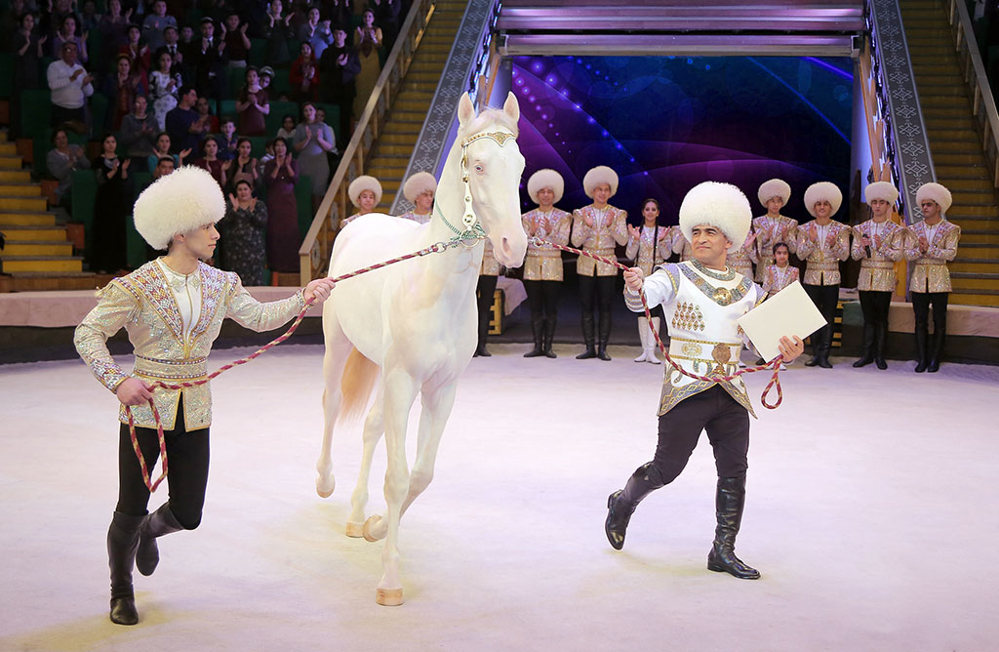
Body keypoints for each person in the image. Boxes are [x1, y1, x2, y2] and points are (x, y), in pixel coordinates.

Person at [73, 166, 336, 626]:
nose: (217, 233)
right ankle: (121, 590)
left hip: (195, 407)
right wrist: (117, 380)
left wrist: (304, 297)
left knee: (189, 513)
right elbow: (87, 333)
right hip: (145, 408)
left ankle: (151, 532)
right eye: (207, 226)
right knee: (128, 506)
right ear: (178, 232)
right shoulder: (136, 286)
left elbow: (258, 317)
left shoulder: (222, 283)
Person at [604, 181, 804, 580]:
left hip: (730, 390)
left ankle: (723, 550)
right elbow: (644, 296)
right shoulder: (674, 275)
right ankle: (623, 502)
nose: (700, 238)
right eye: (695, 231)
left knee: (735, 470)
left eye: (710, 231)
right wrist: (635, 286)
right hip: (685, 389)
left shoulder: (751, 291)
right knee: (666, 470)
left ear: (729, 239)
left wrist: (789, 349)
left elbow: (766, 345)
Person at [571, 165, 628, 360]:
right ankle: (589, 347)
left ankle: (603, 348)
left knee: (606, 306)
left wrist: (612, 225)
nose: (602, 193)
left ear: (610, 192)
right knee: (586, 306)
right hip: (586, 262)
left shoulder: (619, 213)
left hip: (607, 262)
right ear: (592, 191)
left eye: (606, 190)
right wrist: (587, 226)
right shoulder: (581, 213)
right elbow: (576, 241)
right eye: (599, 189)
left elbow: (622, 240)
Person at [905, 182, 961, 373]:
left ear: (939, 206)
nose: (925, 208)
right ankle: (922, 359)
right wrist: (919, 250)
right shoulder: (913, 229)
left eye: (929, 204)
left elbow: (951, 254)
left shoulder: (951, 229)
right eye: (923, 204)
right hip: (919, 278)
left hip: (939, 278)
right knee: (920, 320)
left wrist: (930, 249)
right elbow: (908, 255)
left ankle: (935, 359)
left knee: (939, 320)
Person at [851, 181, 907, 370]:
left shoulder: (897, 230)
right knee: (868, 317)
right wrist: (863, 247)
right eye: (874, 202)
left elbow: (898, 255)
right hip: (866, 276)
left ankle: (880, 355)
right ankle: (866, 354)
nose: (877, 206)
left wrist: (880, 245)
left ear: (888, 205)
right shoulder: (861, 228)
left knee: (881, 317)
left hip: (884, 277)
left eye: (882, 202)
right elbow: (854, 254)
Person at [796, 181, 850, 368]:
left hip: (831, 277)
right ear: (813, 207)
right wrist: (810, 241)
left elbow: (845, 256)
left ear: (831, 207)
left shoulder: (841, 229)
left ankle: (824, 355)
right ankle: (814, 354)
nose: (821, 207)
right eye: (818, 204)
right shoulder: (804, 228)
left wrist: (835, 244)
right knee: (812, 316)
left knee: (828, 315)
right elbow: (800, 254)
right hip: (811, 276)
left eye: (825, 204)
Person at [520, 169, 571, 358]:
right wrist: (531, 233)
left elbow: (565, 243)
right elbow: (522, 243)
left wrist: (551, 232)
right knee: (535, 308)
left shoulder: (564, 217)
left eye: (549, 192)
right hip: (532, 267)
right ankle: (536, 346)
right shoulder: (527, 217)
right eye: (542, 192)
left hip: (553, 268)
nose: (546, 195)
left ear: (555, 194)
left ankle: (548, 346)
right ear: (536, 194)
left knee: (551, 308)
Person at [625, 198, 670, 364]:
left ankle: (652, 351)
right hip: (640, 275)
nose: (650, 212)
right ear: (643, 212)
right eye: (647, 209)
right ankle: (644, 350)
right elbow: (630, 255)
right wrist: (635, 239)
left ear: (658, 213)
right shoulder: (637, 230)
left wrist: (661, 241)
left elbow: (666, 255)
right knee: (641, 311)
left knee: (655, 311)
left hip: (656, 275)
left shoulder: (664, 231)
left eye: (653, 209)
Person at [90, 133, 131, 274]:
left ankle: (116, 265)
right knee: (104, 231)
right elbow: (101, 180)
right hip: (104, 200)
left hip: (118, 200)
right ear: (103, 144)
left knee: (117, 231)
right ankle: (101, 265)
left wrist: (123, 170)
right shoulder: (98, 161)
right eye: (107, 141)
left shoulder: (121, 159)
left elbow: (124, 180)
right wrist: (114, 170)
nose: (111, 144)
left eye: (113, 141)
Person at [218, 179, 268, 286]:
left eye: (245, 189)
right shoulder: (230, 205)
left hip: (254, 251)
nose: (243, 192)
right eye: (240, 189)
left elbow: (262, 222)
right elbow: (223, 223)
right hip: (234, 252)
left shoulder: (258, 205)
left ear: (251, 190)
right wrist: (234, 210)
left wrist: (251, 212)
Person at [318, 27, 359, 150]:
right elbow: (322, 68)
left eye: (341, 33)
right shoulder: (327, 51)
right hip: (331, 90)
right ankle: (329, 144)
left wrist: (345, 64)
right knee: (330, 118)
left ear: (345, 35)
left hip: (346, 91)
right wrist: (335, 64)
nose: (338, 36)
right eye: (336, 33)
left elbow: (357, 69)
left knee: (345, 118)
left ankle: (345, 146)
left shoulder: (351, 52)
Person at [263, 137, 300, 273]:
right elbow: (268, 181)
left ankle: (292, 266)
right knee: (275, 232)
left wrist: (287, 165)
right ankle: (275, 266)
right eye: (277, 146)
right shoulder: (269, 164)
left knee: (290, 231)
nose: (280, 148)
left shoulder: (293, 162)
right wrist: (277, 166)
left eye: (282, 146)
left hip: (288, 202)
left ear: (286, 148)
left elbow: (295, 179)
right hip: (274, 202)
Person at [752, 178, 798, 283]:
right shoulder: (757, 222)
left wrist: (786, 237)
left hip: (782, 266)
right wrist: (766, 238)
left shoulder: (790, 223)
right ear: (766, 202)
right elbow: (754, 249)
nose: (775, 204)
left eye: (778, 201)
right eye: (772, 201)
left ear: (782, 203)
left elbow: (793, 249)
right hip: (763, 267)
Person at [293, 102, 336, 208]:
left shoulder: (323, 126)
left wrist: (320, 139)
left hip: (320, 163)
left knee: (318, 191)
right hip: (304, 162)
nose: (308, 113)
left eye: (310, 110)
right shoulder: (300, 127)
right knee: (306, 192)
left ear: (315, 111)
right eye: (306, 110)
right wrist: (307, 139)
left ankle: (318, 219)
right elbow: (296, 147)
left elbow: (329, 147)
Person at [47, 41, 94, 128]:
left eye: (75, 50)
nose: (72, 53)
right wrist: (71, 78)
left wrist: (86, 84)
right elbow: (52, 85)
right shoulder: (54, 66)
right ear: (62, 52)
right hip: (60, 109)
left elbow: (90, 92)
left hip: (78, 110)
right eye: (69, 50)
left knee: (78, 138)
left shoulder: (80, 69)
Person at [47, 127, 91, 209]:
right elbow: (58, 174)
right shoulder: (52, 156)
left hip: (82, 181)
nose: (62, 141)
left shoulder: (75, 148)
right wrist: (69, 164)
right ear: (54, 141)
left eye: (63, 137)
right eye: (58, 139)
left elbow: (87, 166)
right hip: (66, 186)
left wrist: (81, 157)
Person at [352, 9, 382, 120]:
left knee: (373, 86)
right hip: (361, 61)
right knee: (361, 87)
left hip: (373, 60)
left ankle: (374, 115)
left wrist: (373, 38)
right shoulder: (358, 30)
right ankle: (360, 116)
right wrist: (361, 38)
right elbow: (355, 48)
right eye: (365, 16)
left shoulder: (377, 30)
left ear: (373, 18)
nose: (367, 19)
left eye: (370, 16)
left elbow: (379, 46)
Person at [105, 54, 147, 132]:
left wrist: (134, 88)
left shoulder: (134, 80)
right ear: (117, 66)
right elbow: (107, 93)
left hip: (131, 112)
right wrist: (119, 86)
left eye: (126, 65)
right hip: (115, 112)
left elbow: (141, 96)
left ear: (129, 67)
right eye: (121, 65)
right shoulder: (112, 79)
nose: (123, 67)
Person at [118, 95, 159, 171]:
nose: (141, 106)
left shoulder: (152, 120)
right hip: (133, 154)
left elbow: (158, 140)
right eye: (138, 103)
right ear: (134, 105)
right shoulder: (128, 119)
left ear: (146, 105)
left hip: (149, 155)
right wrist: (139, 133)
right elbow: (124, 140)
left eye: (143, 103)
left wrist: (149, 133)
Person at [165, 86, 208, 155]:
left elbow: (201, 137)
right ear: (185, 97)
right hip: (178, 154)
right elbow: (172, 135)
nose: (196, 99)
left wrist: (200, 131)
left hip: (194, 154)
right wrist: (188, 131)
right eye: (193, 95)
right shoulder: (172, 115)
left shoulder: (195, 115)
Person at [148, 50, 180, 130]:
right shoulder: (154, 75)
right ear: (159, 61)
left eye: (168, 60)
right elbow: (151, 95)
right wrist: (166, 90)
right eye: (163, 60)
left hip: (173, 107)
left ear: (171, 62)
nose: (165, 63)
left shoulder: (176, 76)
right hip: (159, 108)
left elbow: (180, 94)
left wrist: (171, 89)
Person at [236, 67, 270, 137]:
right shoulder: (242, 92)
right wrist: (248, 102)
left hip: (258, 124)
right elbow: (238, 109)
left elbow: (266, 111)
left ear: (258, 78)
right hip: (245, 124)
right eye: (249, 76)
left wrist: (256, 104)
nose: (252, 78)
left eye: (254, 76)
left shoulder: (263, 93)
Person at [262, 0, 296, 67]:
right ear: (271, 7)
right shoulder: (267, 21)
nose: (277, 6)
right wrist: (271, 22)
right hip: (271, 53)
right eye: (275, 4)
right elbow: (267, 35)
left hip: (283, 54)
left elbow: (291, 36)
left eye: (279, 4)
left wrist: (286, 23)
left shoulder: (285, 20)